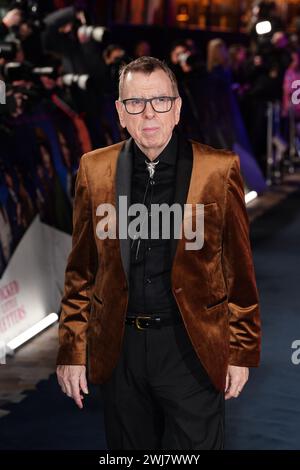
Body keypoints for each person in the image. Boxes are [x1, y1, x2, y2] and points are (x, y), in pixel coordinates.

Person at [56, 56, 261, 450]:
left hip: (192, 349)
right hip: (120, 351)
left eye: (160, 101)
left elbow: (240, 271)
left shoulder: (218, 170)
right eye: (135, 102)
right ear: (120, 112)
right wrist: (71, 349)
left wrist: (241, 352)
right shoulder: (94, 170)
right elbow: (81, 271)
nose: (149, 112)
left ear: (178, 108)